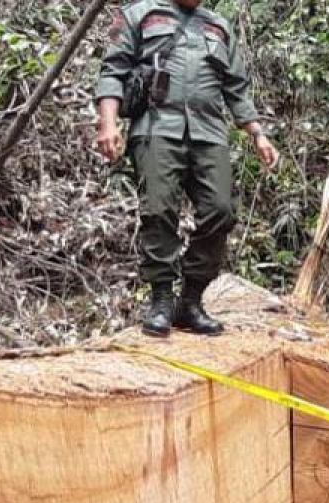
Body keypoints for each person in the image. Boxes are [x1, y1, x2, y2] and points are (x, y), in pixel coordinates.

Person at [95, 0, 280, 337]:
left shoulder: (219, 27)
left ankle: (190, 300)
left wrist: (258, 135)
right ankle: (162, 300)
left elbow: (236, 88)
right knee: (159, 208)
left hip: (209, 132)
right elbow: (113, 71)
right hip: (156, 126)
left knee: (220, 211)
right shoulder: (141, 14)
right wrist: (108, 124)